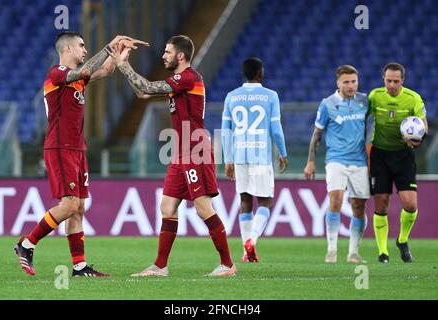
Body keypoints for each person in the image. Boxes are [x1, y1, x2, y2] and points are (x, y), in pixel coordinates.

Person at [14, 31, 144, 277]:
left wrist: (120, 54)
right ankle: (27, 243)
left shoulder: (76, 79)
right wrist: (109, 45)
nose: (85, 50)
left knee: (79, 207)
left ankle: (80, 266)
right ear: (68, 49)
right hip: (60, 147)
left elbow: (104, 71)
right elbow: (84, 71)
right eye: (82, 46)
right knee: (69, 204)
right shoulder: (57, 74)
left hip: (77, 148)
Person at [109, 35, 237, 277]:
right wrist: (124, 64)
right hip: (181, 151)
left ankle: (228, 264)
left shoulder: (188, 78)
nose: (163, 56)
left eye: (167, 52)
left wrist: (122, 65)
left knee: (202, 208)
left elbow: (147, 87)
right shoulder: (178, 82)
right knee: (167, 206)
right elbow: (142, 94)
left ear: (180, 55)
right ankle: (160, 266)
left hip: (195, 149)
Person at [221, 57, 288, 263]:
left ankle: (245, 252)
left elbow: (225, 131)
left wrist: (228, 159)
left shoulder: (231, 96)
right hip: (260, 155)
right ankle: (252, 240)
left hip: (240, 155)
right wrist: (283, 152)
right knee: (266, 202)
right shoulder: (270, 96)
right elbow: (276, 129)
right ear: (260, 74)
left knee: (245, 201)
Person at [303, 65, 369, 264]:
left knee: (359, 207)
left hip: (359, 162)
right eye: (346, 82)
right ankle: (331, 250)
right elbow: (317, 134)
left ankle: (353, 252)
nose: (351, 85)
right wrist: (310, 161)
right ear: (338, 83)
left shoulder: (365, 101)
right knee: (336, 201)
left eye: (354, 81)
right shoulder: (327, 104)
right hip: (336, 160)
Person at [368, 62, 428, 263]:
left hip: (403, 156)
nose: (391, 85)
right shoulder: (375, 96)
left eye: (395, 81)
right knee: (381, 204)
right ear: (383, 79)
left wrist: (419, 138)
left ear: (402, 81)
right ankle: (383, 252)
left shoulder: (413, 99)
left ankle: (402, 240)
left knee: (410, 204)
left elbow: (423, 124)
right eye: (388, 81)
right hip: (380, 156)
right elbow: (360, 117)